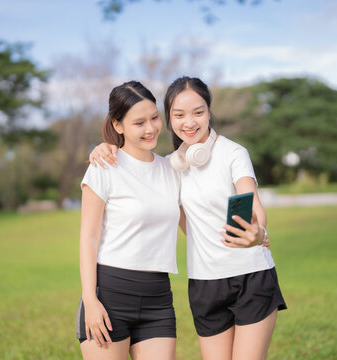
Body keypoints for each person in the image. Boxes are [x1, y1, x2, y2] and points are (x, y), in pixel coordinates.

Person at [89, 76, 287, 360]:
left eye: (198, 112)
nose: (189, 122)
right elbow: (133, 162)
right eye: (179, 115)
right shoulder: (171, 167)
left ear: (209, 112)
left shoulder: (234, 154)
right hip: (205, 283)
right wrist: (104, 146)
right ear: (168, 119)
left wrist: (258, 231)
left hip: (251, 276)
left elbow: (253, 204)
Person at [76, 81, 180, 360]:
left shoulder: (171, 169)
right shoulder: (103, 167)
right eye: (139, 123)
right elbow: (88, 238)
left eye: (154, 118)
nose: (150, 128)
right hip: (110, 296)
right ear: (118, 125)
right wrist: (91, 300)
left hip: (158, 297)